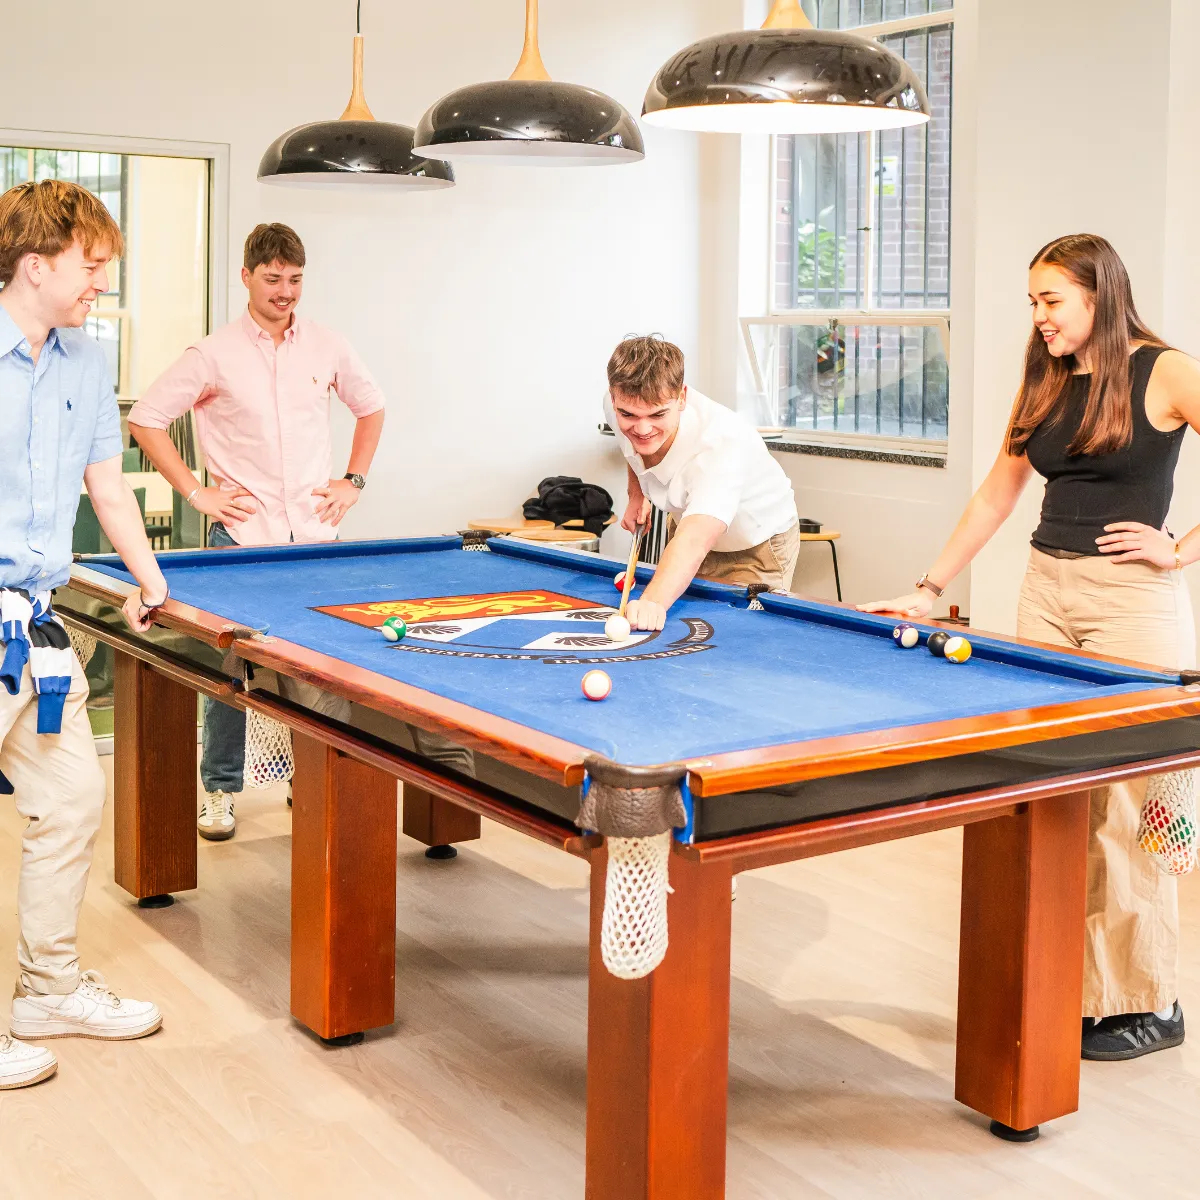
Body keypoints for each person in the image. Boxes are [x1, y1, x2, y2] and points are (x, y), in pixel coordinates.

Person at [862, 233, 1200, 1060]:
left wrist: (1181, 548)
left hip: (1132, 607)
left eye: (1052, 301)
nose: (1040, 317)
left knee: (1140, 804)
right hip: (1046, 591)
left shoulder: (1167, 370)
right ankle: (1073, 982)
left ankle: (1143, 999)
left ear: (1100, 296)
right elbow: (998, 491)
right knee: (1057, 793)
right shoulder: (1046, 373)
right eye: (1033, 303)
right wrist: (931, 586)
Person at [128, 223, 385, 841]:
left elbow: (371, 407)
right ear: (246, 277)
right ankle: (219, 790)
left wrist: (353, 479)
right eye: (273, 279)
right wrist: (197, 492)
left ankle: (312, 776)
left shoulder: (327, 345)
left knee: (321, 670)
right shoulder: (212, 354)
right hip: (242, 544)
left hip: (315, 542)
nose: (285, 291)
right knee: (230, 677)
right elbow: (146, 419)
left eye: (295, 280)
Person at [0, 179, 169, 1089]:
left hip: (37, 622)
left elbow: (107, 487)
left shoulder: (84, 361)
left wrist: (150, 579)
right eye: (89, 265)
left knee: (68, 801)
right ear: (36, 265)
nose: (102, 281)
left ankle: (48, 990)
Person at [604, 335, 799, 631]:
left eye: (657, 414)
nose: (642, 428)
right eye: (628, 414)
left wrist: (652, 602)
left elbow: (694, 541)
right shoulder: (615, 404)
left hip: (756, 542)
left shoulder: (721, 444)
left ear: (682, 397)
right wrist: (636, 493)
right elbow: (630, 444)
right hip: (688, 523)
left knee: (738, 638)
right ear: (614, 396)